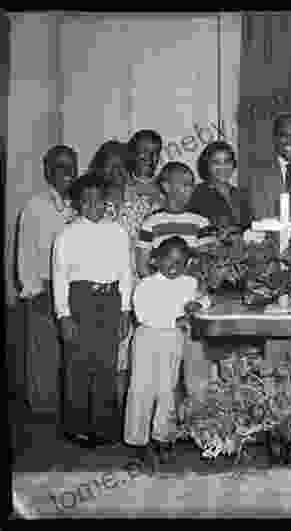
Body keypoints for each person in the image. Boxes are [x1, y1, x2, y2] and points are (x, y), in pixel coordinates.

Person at [52, 171, 133, 447]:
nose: (93, 207)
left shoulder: (118, 231)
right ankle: (76, 426)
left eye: (98, 201)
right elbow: (60, 277)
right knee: (77, 365)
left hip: (110, 301)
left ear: (106, 202)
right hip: (80, 301)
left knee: (105, 365)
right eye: (85, 202)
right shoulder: (66, 235)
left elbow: (126, 273)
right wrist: (63, 315)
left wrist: (124, 310)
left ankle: (103, 426)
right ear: (77, 204)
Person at [125, 236, 211, 470]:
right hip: (147, 339)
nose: (174, 266)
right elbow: (143, 315)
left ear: (187, 264)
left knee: (167, 391)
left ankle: (162, 438)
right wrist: (177, 318)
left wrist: (199, 305)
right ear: (155, 260)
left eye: (180, 262)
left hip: (173, 341)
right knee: (141, 391)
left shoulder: (189, 283)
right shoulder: (146, 285)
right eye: (169, 260)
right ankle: (136, 443)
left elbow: (204, 300)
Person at [90, 139, 162, 412]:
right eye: (109, 168)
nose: (115, 173)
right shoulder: (91, 208)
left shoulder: (145, 205)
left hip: (140, 290)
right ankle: (116, 416)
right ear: (100, 171)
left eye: (120, 167)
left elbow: (156, 248)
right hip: (104, 292)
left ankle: (138, 418)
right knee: (112, 360)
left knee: (140, 358)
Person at [136, 161, 217, 403]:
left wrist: (194, 298)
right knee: (165, 376)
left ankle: (199, 425)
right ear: (165, 186)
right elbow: (143, 266)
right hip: (162, 310)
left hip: (191, 304)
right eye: (182, 185)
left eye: (191, 185)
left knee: (196, 370)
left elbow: (210, 268)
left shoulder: (202, 223)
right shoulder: (151, 222)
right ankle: (165, 429)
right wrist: (165, 299)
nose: (188, 190)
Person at [17, 145, 78, 415]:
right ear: (48, 171)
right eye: (59, 167)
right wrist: (32, 290)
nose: (66, 172)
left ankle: (69, 406)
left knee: (71, 352)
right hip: (44, 287)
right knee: (43, 352)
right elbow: (26, 252)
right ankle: (43, 409)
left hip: (76, 289)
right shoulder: (35, 206)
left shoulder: (81, 204)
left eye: (71, 166)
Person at [187, 140, 252, 236]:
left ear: (233, 164)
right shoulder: (197, 194)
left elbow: (249, 227)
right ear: (207, 165)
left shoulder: (241, 195)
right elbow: (193, 230)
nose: (223, 167)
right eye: (216, 162)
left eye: (227, 161)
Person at [125, 129, 165, 208]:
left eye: (155, 152)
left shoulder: (166, 188)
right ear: (133, 153)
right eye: (144, 151)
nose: (149, 157)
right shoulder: (120, 187)